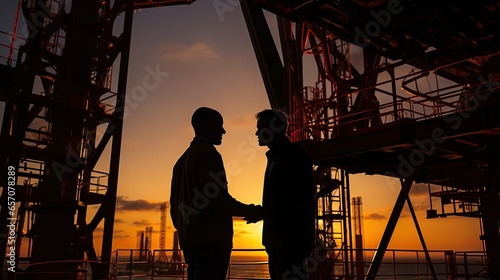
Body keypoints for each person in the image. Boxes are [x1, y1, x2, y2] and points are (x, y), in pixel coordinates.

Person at [170, 107, 261, 280]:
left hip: (190, 245)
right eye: (219, 125)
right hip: (211, 245)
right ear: (206, 126)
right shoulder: (208, 154)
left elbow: (174, 211)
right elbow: (218, 201)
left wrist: (187, 229)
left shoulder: (180, 162)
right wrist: (252, 210)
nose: (223, 131)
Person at [250, 109, 316, 280]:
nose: (257, 133)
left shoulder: (293, 155)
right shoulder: (278, 156)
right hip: (278, 243)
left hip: (290, 243)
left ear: (277, 128)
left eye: (261, 127)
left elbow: (289, 202)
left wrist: (263, 213)